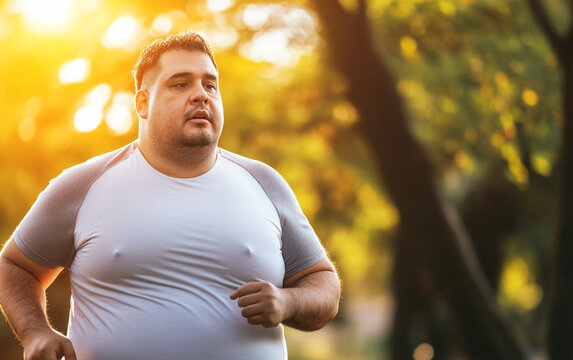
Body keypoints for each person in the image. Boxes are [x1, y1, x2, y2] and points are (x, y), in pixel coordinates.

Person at [0, 32, 341, 360]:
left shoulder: (265, 184)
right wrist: (35, 332)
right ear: (143, 103)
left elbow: (322, 283)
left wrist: (287, 302)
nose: (201, 95)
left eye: (210, 85)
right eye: (181, 83)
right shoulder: (84, 185)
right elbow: (14, 265)